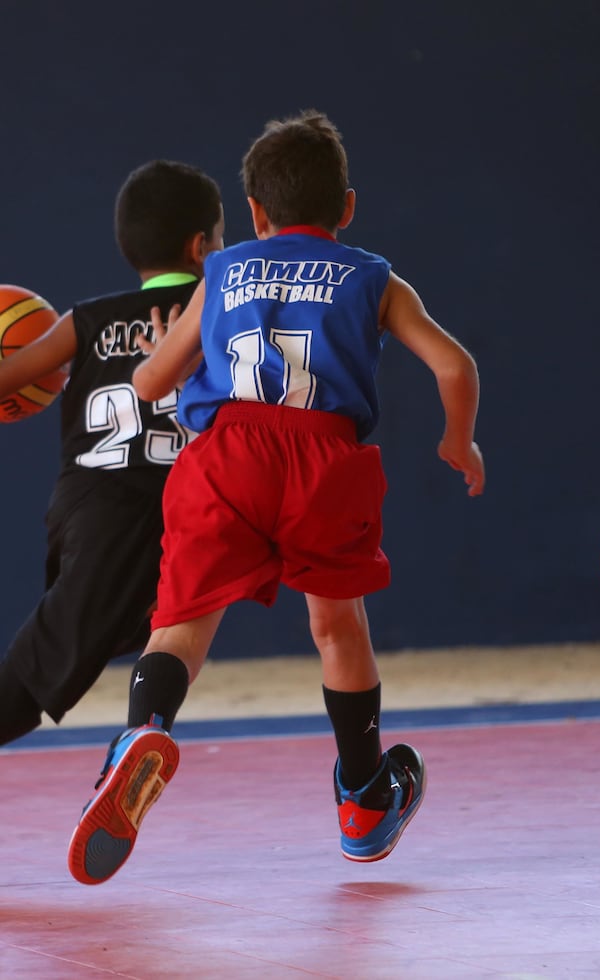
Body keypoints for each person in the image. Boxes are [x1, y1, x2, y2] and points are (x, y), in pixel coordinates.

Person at [67, 110, 485, 886]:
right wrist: (459, 441)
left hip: (225, 455)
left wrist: (162, 354)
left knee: (179, 628)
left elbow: (151, 384)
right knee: (337, 627)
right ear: (346, 207)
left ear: (255, 212)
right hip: (324, 458)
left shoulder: (224, 269)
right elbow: (455, 366)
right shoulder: (373, 275)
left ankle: (141, 733)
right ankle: (364, 799)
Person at [0, 160, 224, 747]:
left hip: (86, 505)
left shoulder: (85, 320)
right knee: (37, 673)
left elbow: (7, 377)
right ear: (201, 247)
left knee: (138, 629)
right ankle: (143, 735)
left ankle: (143, 732)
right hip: (160, 506)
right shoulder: (221, 309)